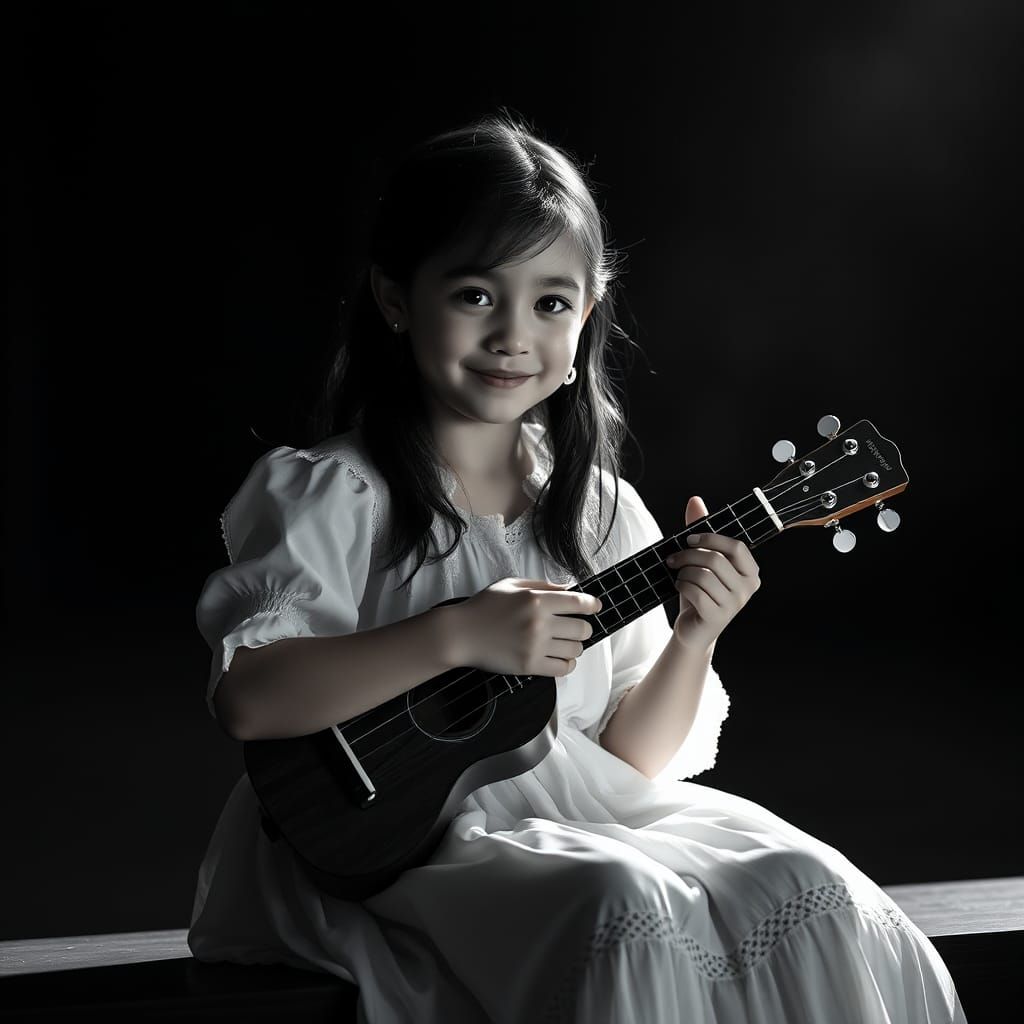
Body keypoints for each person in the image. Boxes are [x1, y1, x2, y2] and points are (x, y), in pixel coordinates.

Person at [187, 109, 967, 1023]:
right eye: (476, 294)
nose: (514, 334)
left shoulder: (600, 511)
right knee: (620, 903)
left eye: (551, 302)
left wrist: (694, 635)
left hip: (586, 818)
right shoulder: (336, 492)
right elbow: (251, 696)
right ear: (397, 299)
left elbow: (636, 758)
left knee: (806, 883)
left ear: (587, 314)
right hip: (394, 845)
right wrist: (456, 632)